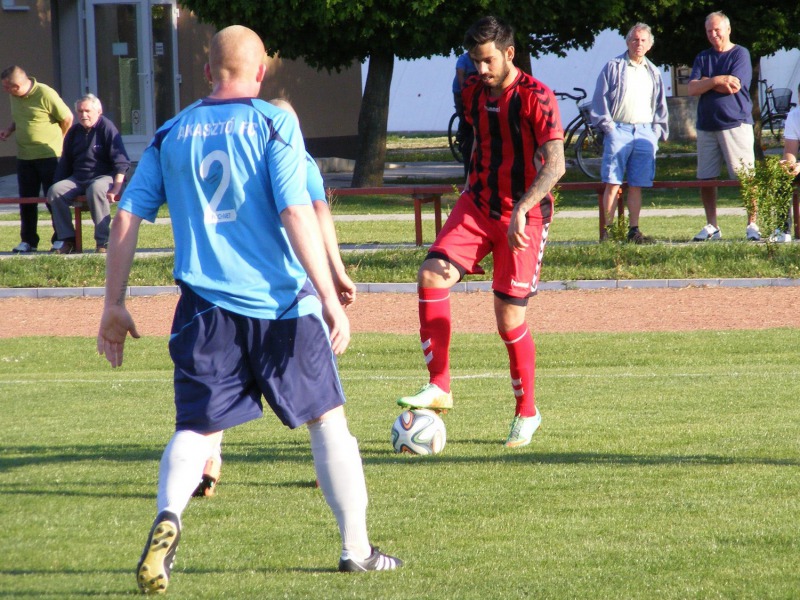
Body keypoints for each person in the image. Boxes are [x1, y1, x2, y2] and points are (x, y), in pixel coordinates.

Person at [96, 25, 401, 594]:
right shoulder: (273, 120)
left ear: (208, 72)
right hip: (281, 307)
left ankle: (169, 515)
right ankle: (355, 550)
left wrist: (114, 303)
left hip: (203, 310)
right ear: (261, 73)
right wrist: (330, 297)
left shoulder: (170, 132)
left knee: (195, 428)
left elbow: (126, 218)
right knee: (327, 422)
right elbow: (296, 211)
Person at [397, 16, 566, 448]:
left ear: (509, 53)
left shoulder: (537, 97)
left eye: (488, 60)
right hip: (477, 205)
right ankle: (440, 385)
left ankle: (527, 412)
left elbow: (556, 164)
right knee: (431, 275)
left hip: (523, 216)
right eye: (475, 61)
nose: (481, 69)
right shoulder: (472, 89)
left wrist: (523, 208)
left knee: (509, 319)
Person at [193, 97, 358, 498]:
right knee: (321, 393)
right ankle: (331, 466)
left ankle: (208, 461)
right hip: (288, 288)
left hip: (224, 287)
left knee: (218, 385)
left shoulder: (238, 152)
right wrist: (335, 272)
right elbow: (317, 213)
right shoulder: (298, 160)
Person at [590, 23, 669, 244]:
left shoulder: (653, 71)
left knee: (636, 184)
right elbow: (600, 99)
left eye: (643, 40)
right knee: (612, 182)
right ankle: (608, 232)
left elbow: (660, 105)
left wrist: (656, 132)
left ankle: (633, 230)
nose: (639, 44)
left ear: (650, 44)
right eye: (635, 39)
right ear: (627, 42)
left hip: (644, 132)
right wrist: (609, 128)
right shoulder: (613, 66)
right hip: (619, 129)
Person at [688, 11, 759, 242]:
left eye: (717, 29)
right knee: (706, 178)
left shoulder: (740, 54)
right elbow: (692, 89)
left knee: (746, 178)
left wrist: (706, 82)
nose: (713, 34)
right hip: (706, 125)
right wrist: (718, 80)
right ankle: (712, 226)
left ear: (728, 29)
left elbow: (735, 86)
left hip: (735, 123)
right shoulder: (702, 57)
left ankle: (752, 224)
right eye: (709, 30)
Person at [0, 65, 73, 253]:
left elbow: (67, 118)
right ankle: (29, 241)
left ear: (17, 85)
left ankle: (61, 238)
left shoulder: (45, 94)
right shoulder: (14, 97)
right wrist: (9, 129)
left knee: (52, 199)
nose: (5, 91)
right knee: (27, 200)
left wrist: (61, 140)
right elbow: (24, 118)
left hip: (49, 156)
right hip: (25, 157)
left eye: (7, 87)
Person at [46, 93, 130, 254]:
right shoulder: (74, 132)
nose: (83, 115)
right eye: (80, 111)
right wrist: (56, 183)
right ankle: (67, 240)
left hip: (103, 177)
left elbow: (121, 161)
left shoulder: (107, 127)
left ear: (98, 111)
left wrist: (116, 187)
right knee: (55, 191)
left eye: (87, 111)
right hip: (78, 178)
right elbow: (65, 162)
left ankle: (103, 241)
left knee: (96, 188)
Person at [775, 83, 800, 243]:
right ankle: (783, 230)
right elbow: (790, 151)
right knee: (783, 176)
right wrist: (789, 165)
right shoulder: (794, 116)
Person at [452, 51, 478, 176]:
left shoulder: (480, 58)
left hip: (477, 91)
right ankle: (462, 134)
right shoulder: (463, 59)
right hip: (460, 91)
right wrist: (464, 91)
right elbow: (460, 75)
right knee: (464, 114)